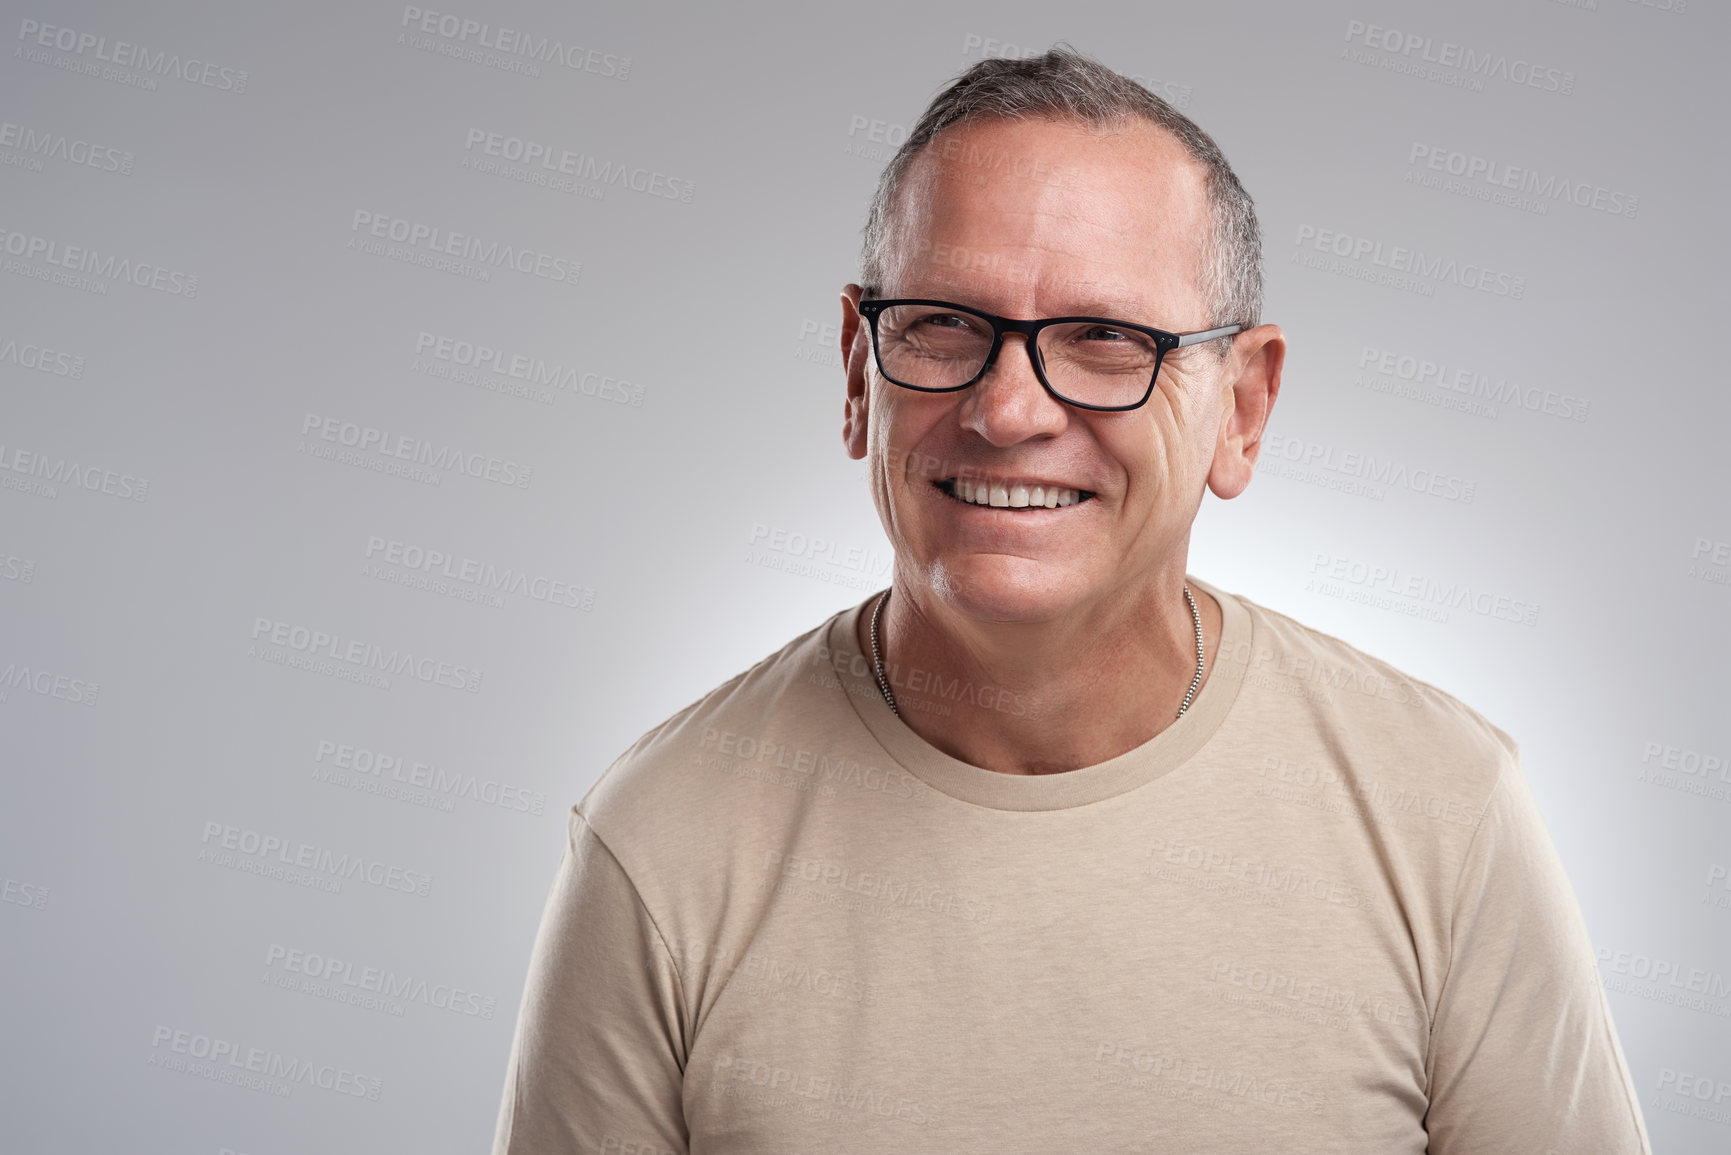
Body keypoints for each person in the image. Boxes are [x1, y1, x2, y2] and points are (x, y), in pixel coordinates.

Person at [491, 45, 1650, 1153]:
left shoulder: (1443, 810)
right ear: (857, 371)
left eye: (1105, 339)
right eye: (945, 325)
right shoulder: (659, 842)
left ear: (1243, 409)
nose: (1008, 411)